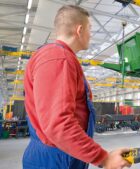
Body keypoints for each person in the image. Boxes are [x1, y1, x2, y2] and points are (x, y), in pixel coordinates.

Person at [23, 5, 131, 169]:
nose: (91, 35)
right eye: (90, 29)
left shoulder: (58, 58)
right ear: (79, 30)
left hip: (62, 154)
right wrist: (104, 159)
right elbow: (58, 124)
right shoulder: (58, 58)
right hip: (56, 159)